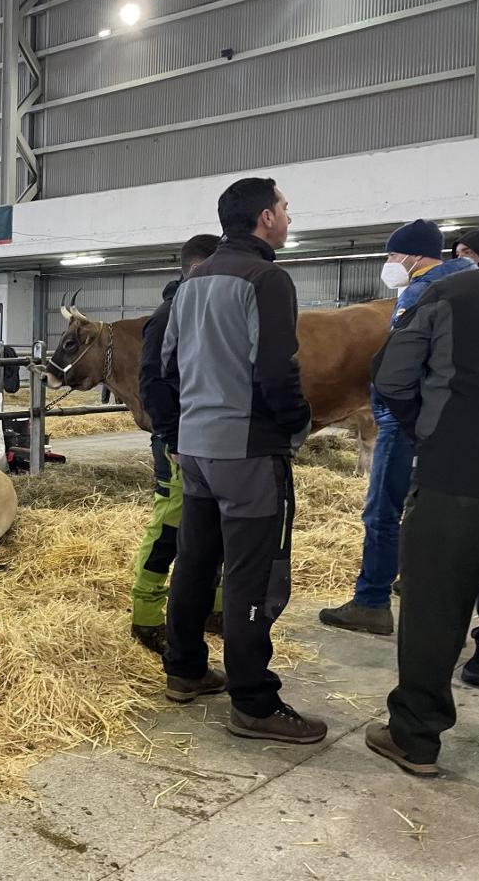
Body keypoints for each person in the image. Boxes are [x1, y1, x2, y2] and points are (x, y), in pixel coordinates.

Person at [154, 177, 324, 744]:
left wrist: (184, 424)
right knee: (254, 573)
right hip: (248, 449)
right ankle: (254, 702)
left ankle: (185, 668)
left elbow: (168, 365)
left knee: (196, 559)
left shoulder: (193, 281)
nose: (289, 216)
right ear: (264, 218)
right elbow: (276, 368)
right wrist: (296, 422)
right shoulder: (266, 279)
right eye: (285, 207)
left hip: (197, 447)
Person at [319, 221, 477, 636]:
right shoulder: (467, 286)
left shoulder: (421, 292)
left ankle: (371, 601)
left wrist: (402, 416)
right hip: (453, 422)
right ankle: (419, 584)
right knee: (428, 505)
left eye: (392, 255)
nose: (389, 263)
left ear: (415, 255)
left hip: (407, 419)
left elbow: (398, 368)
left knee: (381, 511)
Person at [365, 266, 479, 775]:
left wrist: (425, 427)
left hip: (457, 473)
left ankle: (414, 735)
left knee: (435, 607)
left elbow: (392, 376)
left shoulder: (452, 292)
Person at [131, 233, 223, 654]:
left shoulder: (209, 312)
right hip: (179, 444)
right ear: (199, 268)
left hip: (213, 442)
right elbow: (151, 383)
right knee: (169, 527)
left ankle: (214, 608)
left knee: (215, 526)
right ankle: (147, 616)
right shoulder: (168, 316)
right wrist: (173, 438)